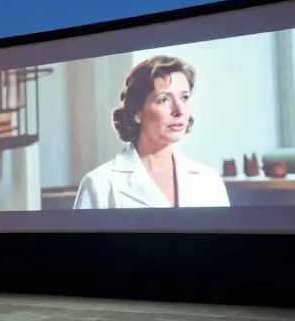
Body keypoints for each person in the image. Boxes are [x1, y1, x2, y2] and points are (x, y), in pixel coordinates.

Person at [73, 55, 230, 209]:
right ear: (136, 112)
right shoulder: (99, 185)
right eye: (163, 100)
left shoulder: (209, 180)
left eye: (184, 98)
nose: (179, 111)